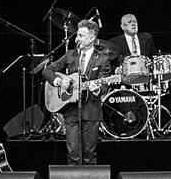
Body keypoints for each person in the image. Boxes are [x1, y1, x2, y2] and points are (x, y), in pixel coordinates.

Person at [41, 20, 117, 166]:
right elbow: (47, 71)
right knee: (73, 154)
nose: (77, 39)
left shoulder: (102, 58)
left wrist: (97, 89)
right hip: (71, 111)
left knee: (89, 155)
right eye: (78, 35)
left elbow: (104, 86)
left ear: (92, 38)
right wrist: (58, 81)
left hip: (91, 111)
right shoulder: (70, 55)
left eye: (81, 35)